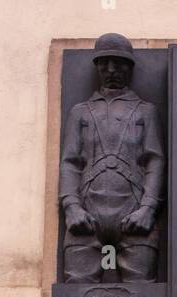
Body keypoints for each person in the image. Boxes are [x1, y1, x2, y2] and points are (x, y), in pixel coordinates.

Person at [59, 33, 165, 283]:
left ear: (129, 68)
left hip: (134, 216)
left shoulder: (145, 112)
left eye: (119, 63)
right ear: (97, 67)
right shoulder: (80, 113)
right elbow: (70, 162)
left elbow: (155, 161)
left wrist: (148, 210)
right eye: (104, 63)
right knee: (76, 296)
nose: (111, 69)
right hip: (86, 217)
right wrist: (71, 207)